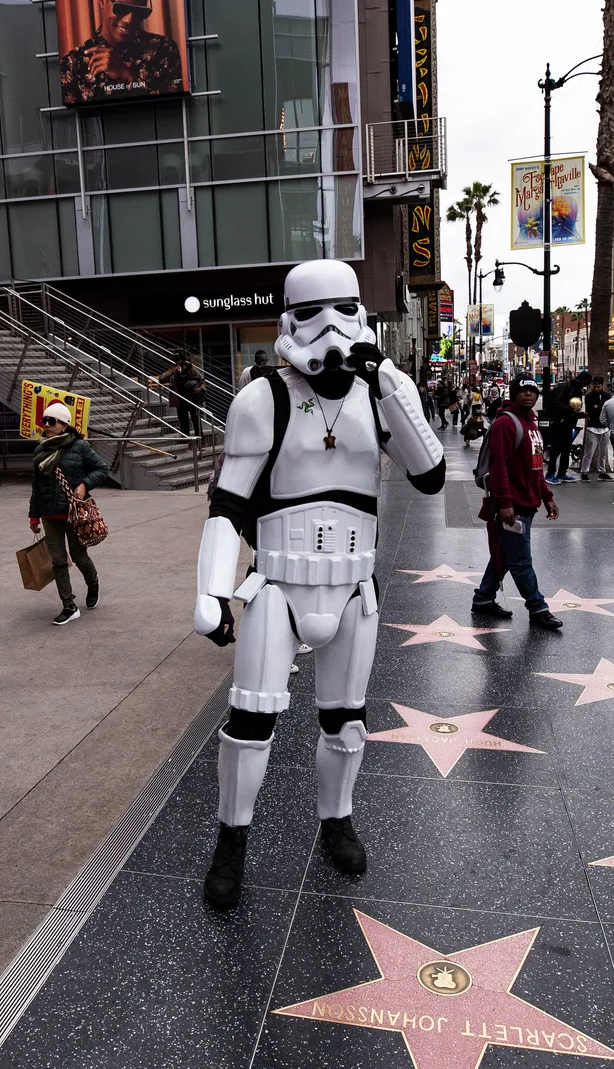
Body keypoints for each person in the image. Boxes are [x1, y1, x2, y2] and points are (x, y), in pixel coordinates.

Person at [193, 259, 446, 911]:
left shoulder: (380, 394)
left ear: (361, 314)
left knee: (346, 722)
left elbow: (431, 473)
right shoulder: (262, 399)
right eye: (312, 313)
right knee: (251, 721)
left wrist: (386, 376)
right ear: (287, 321)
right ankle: (232, 839)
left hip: (353, 585)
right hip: (278, 584)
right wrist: (212, 588)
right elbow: (228, 503)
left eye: (342, 309)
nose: (327, 328)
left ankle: (338, 818)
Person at [470, 379, 564, 630]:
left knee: (504, 553)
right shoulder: (504, 424)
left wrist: (548, 497)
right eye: (523, 391)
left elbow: (536, 468)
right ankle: (537, 607)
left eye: (533, 391)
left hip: (528, 503)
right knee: (520, 559)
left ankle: (483, 598)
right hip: (514, 507)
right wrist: (504, 503)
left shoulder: (531, 423)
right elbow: (498, 467)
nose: (528, 395)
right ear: (513, 394)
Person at [28, 403, 110, 625]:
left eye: (51, 421)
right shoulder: (40, 450)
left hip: (74, 512)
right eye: (44, 420)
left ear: (64, 424)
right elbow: (37, 486)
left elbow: (102, 469)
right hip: (48, 513)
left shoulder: (79, 446)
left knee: (79, 556)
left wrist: (84, 484)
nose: (46, 425)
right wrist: (33, 516)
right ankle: (69, 605)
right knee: (57, 560)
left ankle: (93, 583)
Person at [59, 0, 185, 106]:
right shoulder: (72, 63)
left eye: (140, 11)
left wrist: (128, 76)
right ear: (102, 2)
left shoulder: (164, 49)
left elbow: (173, 109)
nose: (129, 19)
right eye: (121, 8)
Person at [160, 355, 206, 437]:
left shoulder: (192, 370)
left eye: (180, 361)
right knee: (183, 421)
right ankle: (186, 440)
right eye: (177, 361)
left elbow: (202, 381)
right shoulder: (174, 371)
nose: (179, 363)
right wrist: (172, 372)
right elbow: (161, 379)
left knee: (196, 420)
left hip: (192, 399)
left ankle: (200, 441)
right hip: (180, 400)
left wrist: (199, 389)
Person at [578, 376, 611, 481]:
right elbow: (591, 410)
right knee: (589, 452)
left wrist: (597, 406)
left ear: (602, 386)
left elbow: (606, 409)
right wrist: (598, 407)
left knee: (603, 452)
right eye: (595, 386)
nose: (596, 388)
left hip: (604, 427)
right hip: (592, 427)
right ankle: (584, 472)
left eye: (598, 386)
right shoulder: (589, 396)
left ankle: (602, 472)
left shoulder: (607, 395)